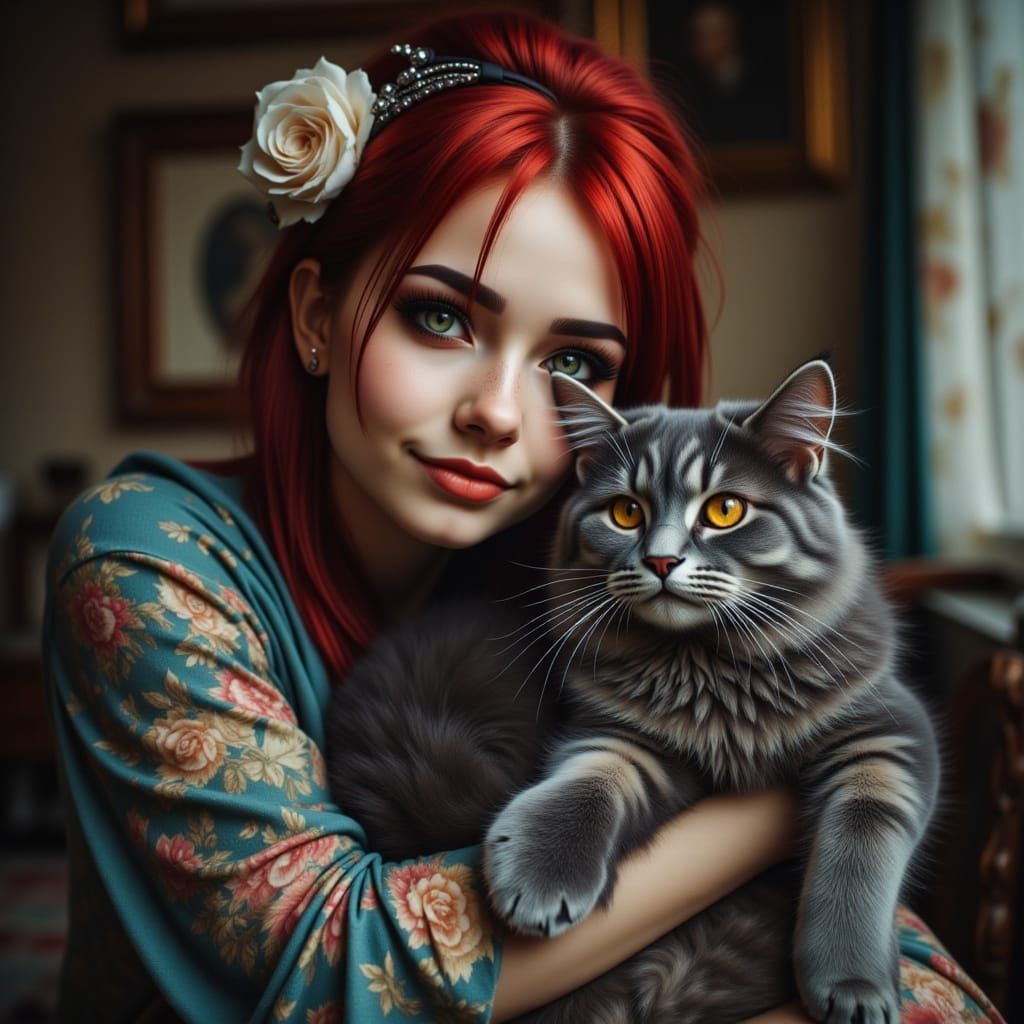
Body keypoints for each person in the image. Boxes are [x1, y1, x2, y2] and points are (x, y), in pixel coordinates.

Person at [43, 11, 1003, 1024]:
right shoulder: (142, 557)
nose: (498, 412)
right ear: (318, 314)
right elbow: (334, 970)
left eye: (574, 362)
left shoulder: (581, 574)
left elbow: (894, 969)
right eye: (440, 317)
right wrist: (785, 798)